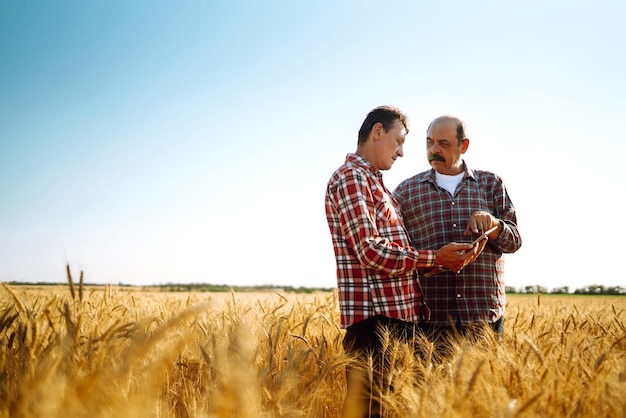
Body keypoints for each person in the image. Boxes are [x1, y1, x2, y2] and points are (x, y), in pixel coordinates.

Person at [325, 106, 485, 418]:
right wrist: (434, 257)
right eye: (399, 142)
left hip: (395, 322)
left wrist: (445, 261)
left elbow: (399, 254)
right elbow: (369, 249)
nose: (401, 153)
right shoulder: (351, 178)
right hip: (374, 324)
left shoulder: (376, 185)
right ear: (377, 132)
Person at [393, 115, 522, 345]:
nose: (434, 149)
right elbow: (398, 253)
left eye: (444, 144)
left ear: (464, 146)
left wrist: (493, 225)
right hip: (431, 320)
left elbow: (514, 241)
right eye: (429, 142)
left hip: (483, 316)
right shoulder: (405, 192)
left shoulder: (491, 184)